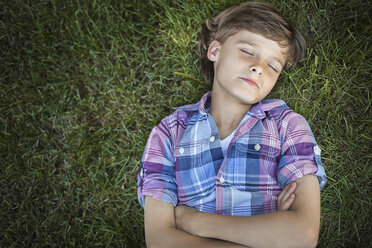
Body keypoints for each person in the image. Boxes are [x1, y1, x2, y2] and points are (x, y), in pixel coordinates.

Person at [137, 1, 327, 247]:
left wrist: (195, 222)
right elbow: (160, 240)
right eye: (248, 51)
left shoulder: (287, 126)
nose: (259, 67)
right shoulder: (169, 133)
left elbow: (302, 235)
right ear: (215, 51)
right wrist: (270, 235)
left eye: (272, 66)